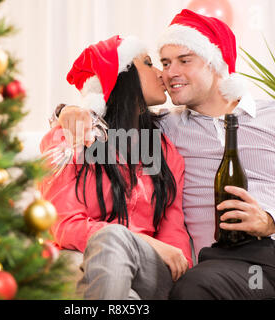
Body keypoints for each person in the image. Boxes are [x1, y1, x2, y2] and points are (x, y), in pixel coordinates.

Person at [55, 10, 275, 299]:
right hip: (230, 265)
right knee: (192, 290)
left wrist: (272, 219)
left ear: (214, 63)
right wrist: (67, 111)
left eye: (184, 60)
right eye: (164, 62)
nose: (169, 72)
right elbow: (113, 121)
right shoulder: (164, 131)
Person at [39, 35, 193, 300]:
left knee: (114, 244)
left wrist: (177, 264)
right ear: (122, 77)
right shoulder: (74, 138)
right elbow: (63, 224)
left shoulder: (165, 150)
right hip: (79, 259)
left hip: (148, 266)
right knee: (120, 277)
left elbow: (173, 233)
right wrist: (136, 240)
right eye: (147, 63)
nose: (160, 73)